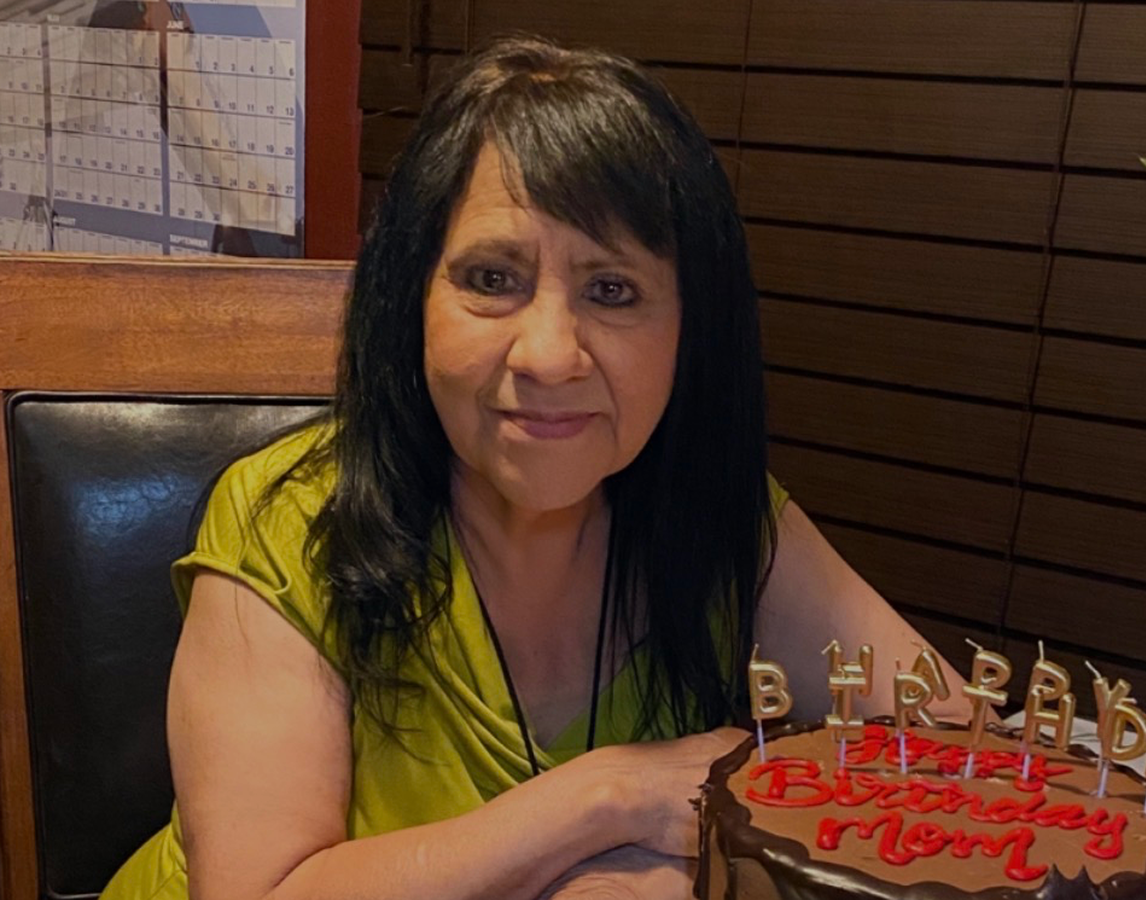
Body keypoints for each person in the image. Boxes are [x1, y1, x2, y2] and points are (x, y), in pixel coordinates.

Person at [100, 34, 970, 900]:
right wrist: (606, 796)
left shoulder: (722, 519)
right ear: (413, 301)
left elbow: (961, 759)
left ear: (691, 333)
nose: (550, 356)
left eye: (612, 290)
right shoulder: (288, 521)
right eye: (492, 278)